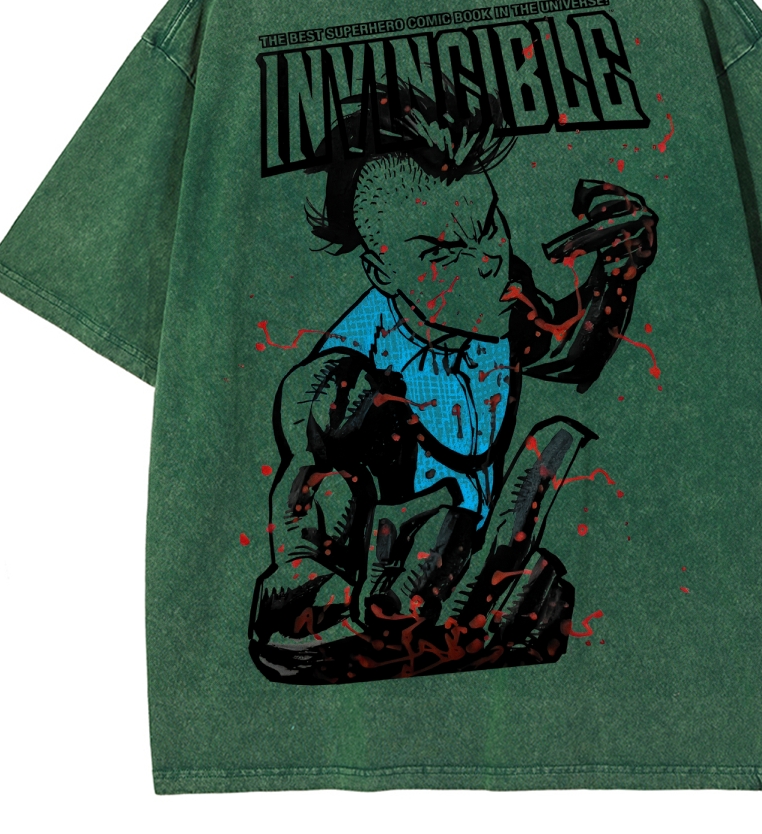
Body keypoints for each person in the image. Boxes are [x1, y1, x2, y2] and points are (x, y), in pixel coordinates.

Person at [249, 77, 658, 684]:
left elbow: (568, 353)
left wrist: (621, 270)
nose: (487, 259)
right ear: (382, 272)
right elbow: (297, 579)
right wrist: (347, 612)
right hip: (395, 618)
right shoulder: (341, 387)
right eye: (442, 253)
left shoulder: (495, 293)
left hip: (483, 590)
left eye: (488, 223)